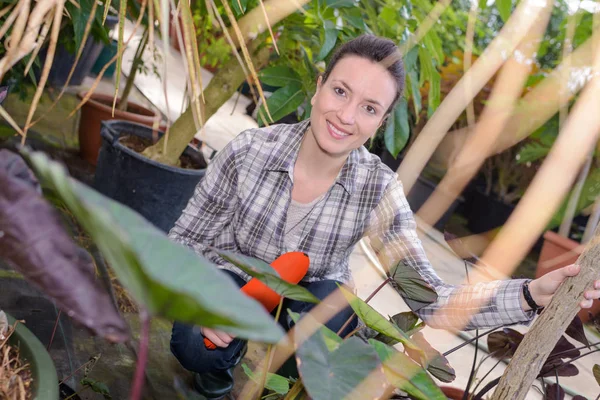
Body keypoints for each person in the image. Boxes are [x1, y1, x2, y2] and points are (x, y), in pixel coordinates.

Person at [168, 34, 600, 399]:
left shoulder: (377, 188)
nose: (346, 116)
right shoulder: (249, 151)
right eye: (340, 91)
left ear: (381, 121)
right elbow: (184, 241)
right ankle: (215, 373)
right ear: (318, 87)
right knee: (194, 340)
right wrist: (203, 301)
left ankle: (291, 384)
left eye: (369, 108)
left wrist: (529, 293)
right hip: (232, 280)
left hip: (307, 298)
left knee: (336, 323)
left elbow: (431, 297)